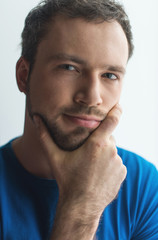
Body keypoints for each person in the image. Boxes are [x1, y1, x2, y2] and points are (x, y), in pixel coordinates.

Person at [0, 0, 158, 239]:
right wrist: (81, 208)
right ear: (24, 76)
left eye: (109, 75)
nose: (92, 97)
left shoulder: (143, 186)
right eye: (69, 68)